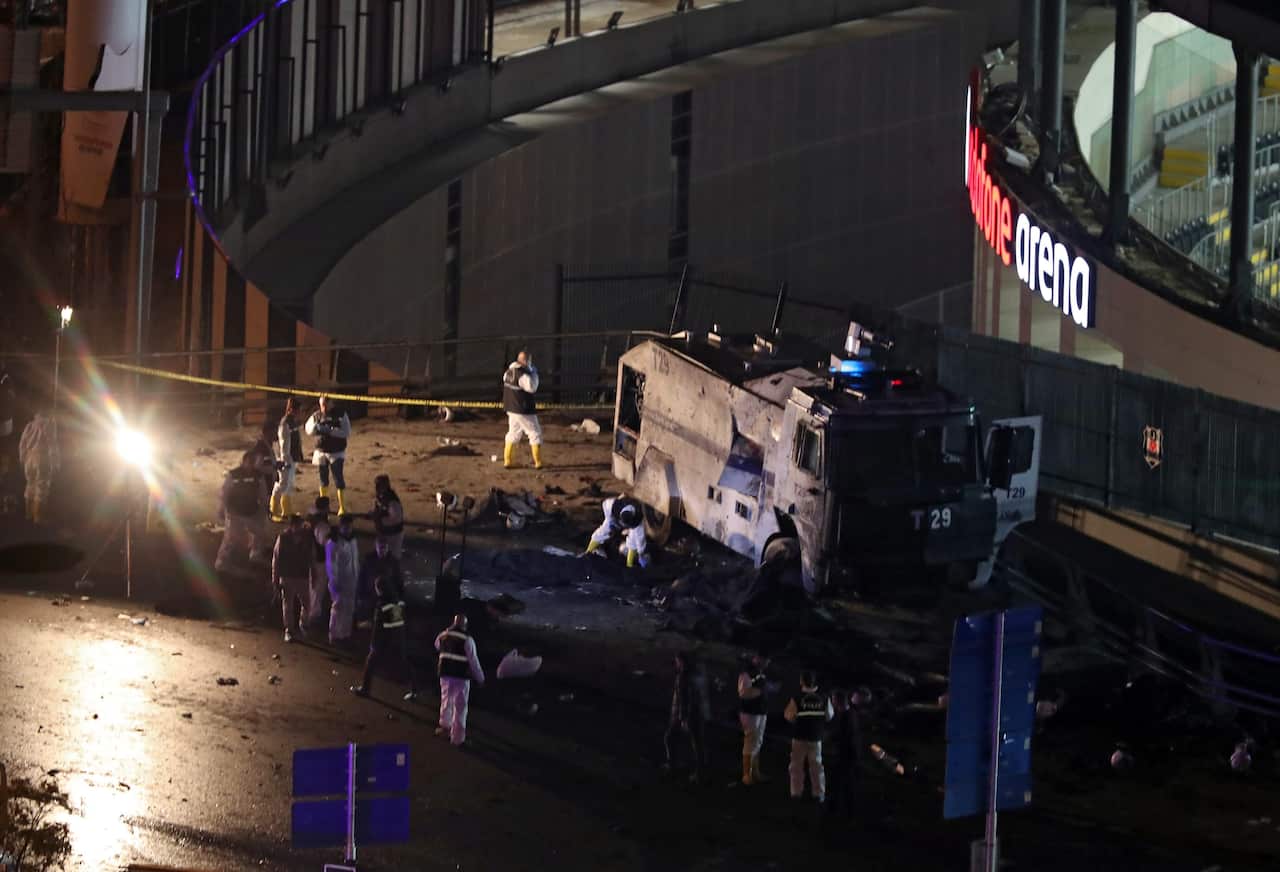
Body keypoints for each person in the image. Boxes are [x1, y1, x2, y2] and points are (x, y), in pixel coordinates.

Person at [351, 537, 418, 700]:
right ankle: (414, 690)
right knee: (403, 663)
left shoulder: (382, 604)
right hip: (396, 638)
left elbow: (379, 626)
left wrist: (375, 643)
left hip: (385, 639)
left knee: (371, 662)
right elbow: (397, 622)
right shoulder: (393, 601)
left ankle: (365, 689)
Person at [215, 450, 270, 573]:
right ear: (243, 461)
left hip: (252, 512)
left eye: (253, 462)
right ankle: (221, 562)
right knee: (230, 538)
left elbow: (263, 493)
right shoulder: (233, 475)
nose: (251, 465)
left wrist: (264, 507)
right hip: (235, 513)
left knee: (260, 534)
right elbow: (224, 493)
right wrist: (221, 509)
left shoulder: (258, 476)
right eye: (250, 462)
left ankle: (255, 555)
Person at [435, 613, 485, 747]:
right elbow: (473, 661)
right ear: (465, 625)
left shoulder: (443, 635)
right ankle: (457, 738)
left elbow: (437, 646)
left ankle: (444, 728)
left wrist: (448, 630)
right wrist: (480, 678)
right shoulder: (468, 639)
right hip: (460, 676)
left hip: (445, 673)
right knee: (460, 706)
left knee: (446, 700)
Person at [784, 670, 834, 803]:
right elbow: (829, 716)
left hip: (799, 736)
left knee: (796, 765)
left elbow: (789, 716)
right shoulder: (824, 698)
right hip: (816, 737)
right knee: (817, 766)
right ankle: (819, 794)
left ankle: (796, 792)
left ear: (801, 681)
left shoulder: (797, 698)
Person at [664, 652, 711, 785]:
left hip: (686, 716)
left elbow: (684, 699)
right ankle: (699, 772)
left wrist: (683, 718)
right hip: (697, 714)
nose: (676, 664)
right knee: (698, 744)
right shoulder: (697, 675)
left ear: (681, 662)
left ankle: (675, 766)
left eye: (677, 661)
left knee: (671, 738)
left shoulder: (683, 677)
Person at [305, 395, 352, 515]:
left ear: (331, 403)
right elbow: (307, 428)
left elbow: (347, 432)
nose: (323, 408)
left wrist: (331, 431)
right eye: (321, 405)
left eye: (325, 405)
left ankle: (342, 506)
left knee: (338, 478)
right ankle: (323, 506)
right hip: (321, 452)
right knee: (323, 480)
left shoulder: (341, 414)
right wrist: (315, 428)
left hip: (336, 452)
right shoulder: (317, 415)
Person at [272, 513, 314, 642]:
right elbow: (276, 559)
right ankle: (289, 630)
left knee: (307, 603)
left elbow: (311, 556)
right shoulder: (283, 538)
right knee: (288, 605)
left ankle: (303, 625)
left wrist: (313, 573)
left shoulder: (306, 537)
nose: (299, 527)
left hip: (302, 575)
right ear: (291, 526)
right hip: (288, 576)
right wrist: (275, 579)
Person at [825, 689, 863, 818]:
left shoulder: (845, 717)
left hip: (846, 756)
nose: (832, 702)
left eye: (833, 699)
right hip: (850, 755)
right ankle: (846, 810)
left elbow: (842, 736)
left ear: (837, 701)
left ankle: (838, 810)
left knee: (840, 783)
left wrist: (830, 738)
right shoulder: (850, 713)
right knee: (846, 784)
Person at [502, 350, 543, 469]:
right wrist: (534, 374)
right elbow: (532, 387)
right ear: (526, 361)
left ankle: (507, 460)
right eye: (529, 361)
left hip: (511, 408)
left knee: (513, 433)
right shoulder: (522, 374)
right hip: (523, 409)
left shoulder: (508, 372)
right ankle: (538, 462)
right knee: (535, 433)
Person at [17, 410, 58, 524]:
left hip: (29, 457)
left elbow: (22, 443)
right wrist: (55, 462)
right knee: (41, 487)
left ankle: (28, 514)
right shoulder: (49, 424)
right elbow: (52, 444)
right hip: (42, 458)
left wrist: (22, 458)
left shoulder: (29, 425)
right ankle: (38, 517)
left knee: (30, 485)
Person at [325, 512, 359, 645]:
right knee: (338, 608)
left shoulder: (353, 540)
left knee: (349, 609)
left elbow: (355, 561)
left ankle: (345, 635)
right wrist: (333, 582)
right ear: (340, 527)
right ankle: (333, 635)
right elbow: (330, 564)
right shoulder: (333, 543)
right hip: (339, 582)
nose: (348, 529)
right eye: (345, 527)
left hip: (352, 581)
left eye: (350, 527)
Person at [737, 654, 771, 786]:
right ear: (757, 659)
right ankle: (747, 775)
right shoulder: (746, 673)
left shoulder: (759, 673)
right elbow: (743, 693)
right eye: (766, 659)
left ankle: (755, 772)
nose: (768, 662)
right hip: (750, 713)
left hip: (760, 712)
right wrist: (761, 691)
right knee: (751, 742)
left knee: (757, 742)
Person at [271, 397, 304, 522]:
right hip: (287, 458)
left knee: (289, 484)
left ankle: (286, 511)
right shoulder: (286, 423)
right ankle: (273, 510)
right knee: (282, 484)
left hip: (292, 457)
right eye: (298, 410)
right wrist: (286, 460)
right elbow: (285, 443)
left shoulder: (292, 422)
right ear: (292, 410)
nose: (300, 413)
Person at [308, 496, 332, 633]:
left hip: (311, 559)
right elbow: (326, 544)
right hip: (319, 561)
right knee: (318, 589)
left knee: (313, 587)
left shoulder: (311, 516)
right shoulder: (322, 526)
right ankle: (313, 617)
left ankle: (310, 614)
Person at [368, 474, 405, 559]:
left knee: (393, 557)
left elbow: (396, 519)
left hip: (393, 535)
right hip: (383, 533)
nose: (376, 487)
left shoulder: (392, 501)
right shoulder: (380, 498)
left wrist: (378, 518)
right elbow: (378, 511)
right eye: (376, 485)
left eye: (379, 485)